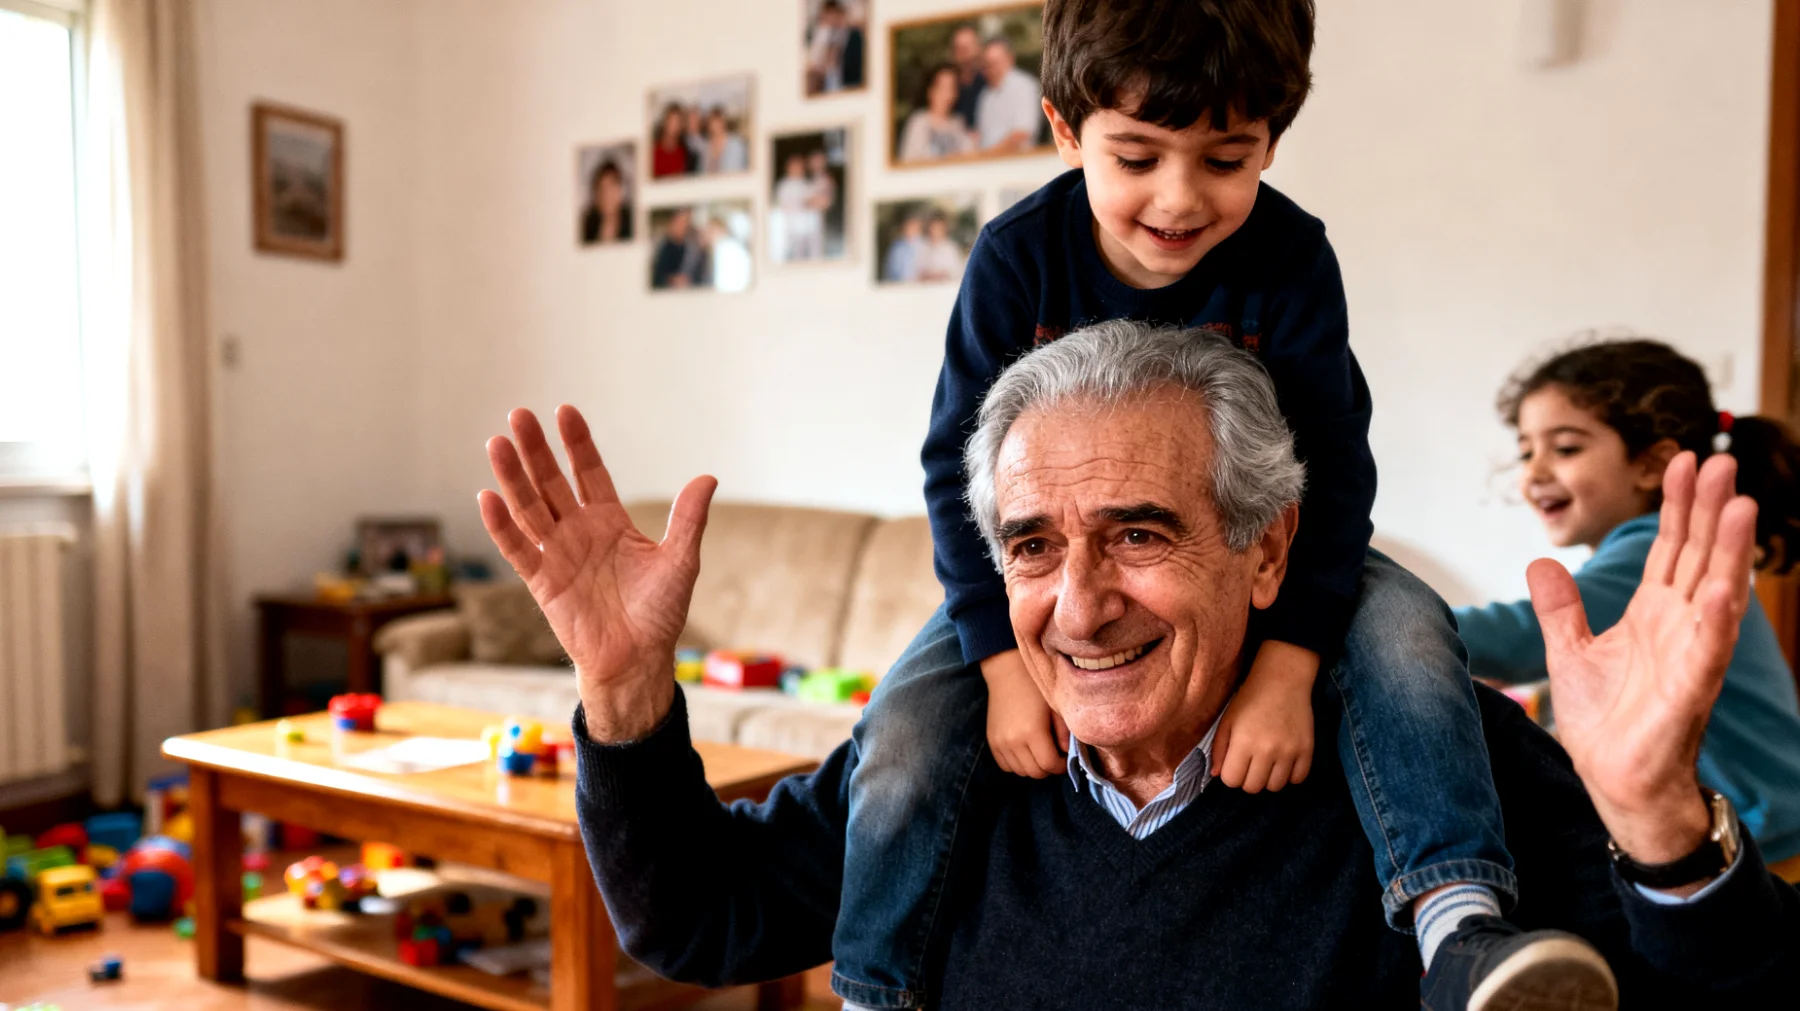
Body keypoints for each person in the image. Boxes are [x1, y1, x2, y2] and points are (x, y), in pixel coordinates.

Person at [476, 323, 1800, 1008]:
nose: (1080, 604)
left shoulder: (1433, 757)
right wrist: (626, 693)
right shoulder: (944, 758)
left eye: (1142, 534)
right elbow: (697, 918)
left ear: (1270, 550)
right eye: (1036, 544)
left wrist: (1665, 832)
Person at [849, 2, 1569, 1008]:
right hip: (1029, 584)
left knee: (1414, 643)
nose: (1181, 199)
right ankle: (872, 986)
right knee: (905, 728)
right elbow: (952, 468)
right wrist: (1004, 667)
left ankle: (1457, 925)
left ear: (1273, 136)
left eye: (1226, 160)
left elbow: (1336, 471)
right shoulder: (1016, 258)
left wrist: (1290, 663)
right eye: (1137, 159)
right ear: (1064, 129)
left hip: (1282, 534)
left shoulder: (1293, 258)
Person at [1456, 339, 1800, 864]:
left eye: (1565, 448)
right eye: (1527, 451)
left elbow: (1513, 635)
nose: (1535, 472)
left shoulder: (1651, 551)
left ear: (1651, 465)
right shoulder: (1638, 551)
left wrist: (1387, 617)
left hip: (1760, 846)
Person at [973, 36, 1043, 152]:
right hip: (989, 164)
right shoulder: (985, 94)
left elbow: (1023, 133)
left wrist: (990, 154)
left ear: (1010, 59)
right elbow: (981, 135)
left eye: (995, 63)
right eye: (987, 64)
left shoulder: (1024, 86)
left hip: (1015, 163)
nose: (991, 69)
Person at [897, 64, 976, 163]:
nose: (947, 94)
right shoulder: (918, 122)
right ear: (930, 91)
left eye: (951, 88)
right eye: (942, 87)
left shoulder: (958, 123)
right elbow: (909, 161)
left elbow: (969, 157)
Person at [773, 152, 824, 261]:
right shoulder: (784, 186)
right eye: (795, 166)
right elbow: (785, 205)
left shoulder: (806, 184)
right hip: (791, 230)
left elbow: (816, 202)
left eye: (800, 166)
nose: (798, 168)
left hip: (808, 230)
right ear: (788, 168)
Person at [807, 0, 865, 94]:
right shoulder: (820, 38)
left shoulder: (854, 37)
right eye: (828, 17)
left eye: (835, 16)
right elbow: (813, 65)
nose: (832, 21)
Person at [579, 159, 632, 245]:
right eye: (601, 189)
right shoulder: (586, 226)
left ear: (620, 191)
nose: (606, 196)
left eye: (611, 189)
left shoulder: (632, 223)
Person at [949, 23, 985, 133]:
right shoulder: (947, 86)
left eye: (968, 47)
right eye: (959, 48)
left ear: (979, 49)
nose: (965, 54)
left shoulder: (991, 84)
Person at [650, 207, 698, 289]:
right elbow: (656, 276)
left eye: (685, 222)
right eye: (680, 222)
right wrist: (672, 280)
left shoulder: (691, 248)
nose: (683, 226)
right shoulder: (662, 247)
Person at [913, 213, 964, 282]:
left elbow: (958, 271)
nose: (936, 231)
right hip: (925, 288)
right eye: (933, 228)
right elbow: (916, 270)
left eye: (939, 228)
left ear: (944, 229)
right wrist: (926, 274)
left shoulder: (951, 248)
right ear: (929, 229)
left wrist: (943, 275)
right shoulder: (922, 247)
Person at [699, 107, 748, 175]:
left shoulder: (736, 144)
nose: (714, 126)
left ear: (723, 122)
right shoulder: (705, 147)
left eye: (717, 121)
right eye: (711, 122)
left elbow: (738, 172)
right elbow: (702, 173)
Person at [651, 104, 692, 178]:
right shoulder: (653, 151)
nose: (674, 126)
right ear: (664, 122)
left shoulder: (684, 152)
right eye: (671, 121)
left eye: (678, 122)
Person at [881, 214, 923, 283]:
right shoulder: (895, 248)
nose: (911, 229)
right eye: (909, 226)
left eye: (914, 226)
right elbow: (888, 271)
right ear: (904, 227)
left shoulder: (924, 246)